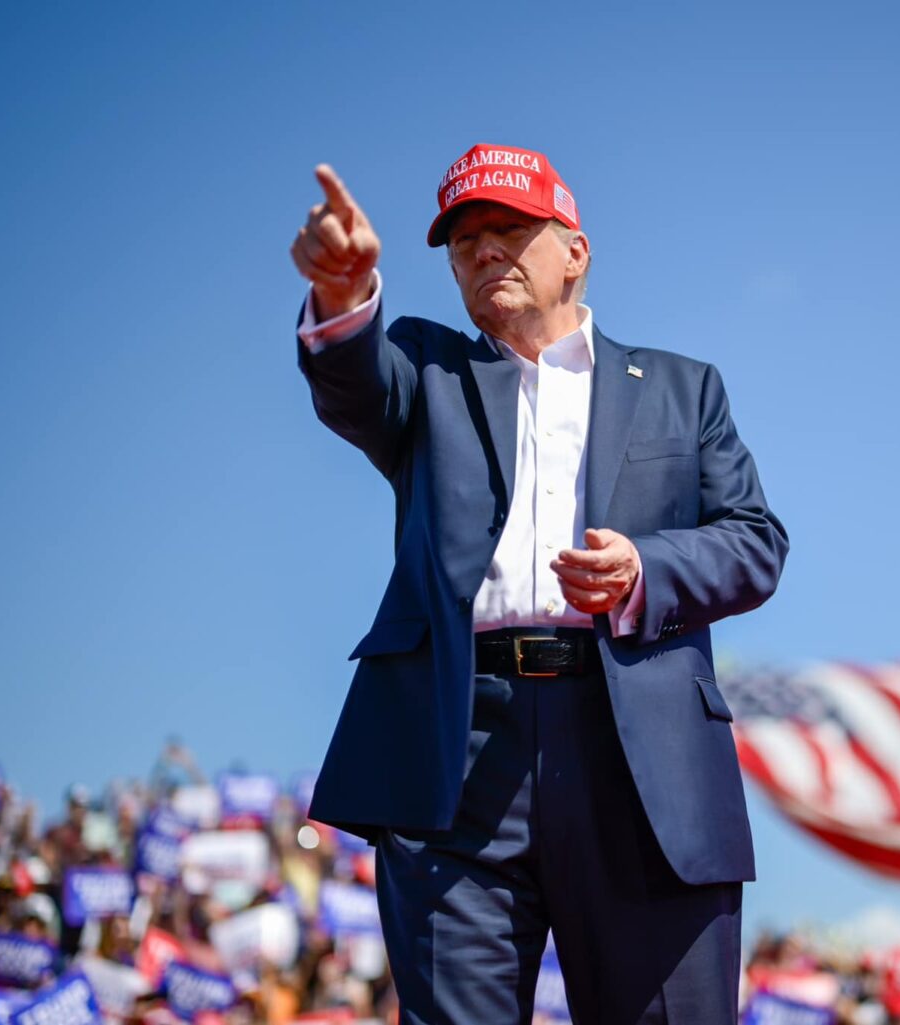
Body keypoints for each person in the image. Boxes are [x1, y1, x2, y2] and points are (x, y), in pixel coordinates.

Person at [288, 144, 788, 1025]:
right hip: (458, 757)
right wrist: (341, 296)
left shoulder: (682, 389)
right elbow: (355, 384)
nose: (484, 251)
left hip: (643, 762)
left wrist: (644, 567)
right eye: (464, 239)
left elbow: (754, 542)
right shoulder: (427, 369)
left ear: (576, 251)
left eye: (510, 229)